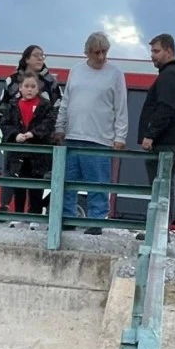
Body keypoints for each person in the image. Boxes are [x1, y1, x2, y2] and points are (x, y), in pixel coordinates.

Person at [54, 31, 128, 235]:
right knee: (68, 182)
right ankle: (67, 218)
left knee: (98, 183)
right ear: (87, 52)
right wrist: (59, 127)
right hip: (72, 135)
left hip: (100, 138)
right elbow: (66, 101)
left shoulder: (115, 73)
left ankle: (97, 219)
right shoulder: (76, 71)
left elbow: (120, 106)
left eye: (105, 52)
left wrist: (120, 136)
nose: (101, 57)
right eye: (97, 52)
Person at [137, 33, 175, 237]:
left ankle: (158, 232)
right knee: (165, 185)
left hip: (164, 143)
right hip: (173, 142)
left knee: (160, 187)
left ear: (169, 51)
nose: (152, 55)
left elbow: (166, 108)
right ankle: (161, 230)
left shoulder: (170, 75)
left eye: (156, 51)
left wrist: (151, 134)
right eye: (151, 51)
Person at [0, 71, 57, 229]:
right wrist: (15, 135)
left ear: (38, 89)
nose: (29, 89)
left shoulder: (45, 106)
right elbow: (5, 123)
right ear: (20, 88)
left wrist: (33, 133)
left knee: (36, 187)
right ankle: (18, 216)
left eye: (33, 86)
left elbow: (49, 123)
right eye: (26, 86)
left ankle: (34, 217)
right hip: (18, 153)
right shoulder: (13, 105)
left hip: (38, 154)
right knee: (19, 186)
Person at [0, 45, 62, 134]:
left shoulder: (50, 81)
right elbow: (3, 104)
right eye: (36, 55)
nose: (40, 58)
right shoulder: (12, 81)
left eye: (42, 56)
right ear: (26, 59)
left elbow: (59, 107)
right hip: (16, 136)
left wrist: (59, 130)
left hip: (42, 137)